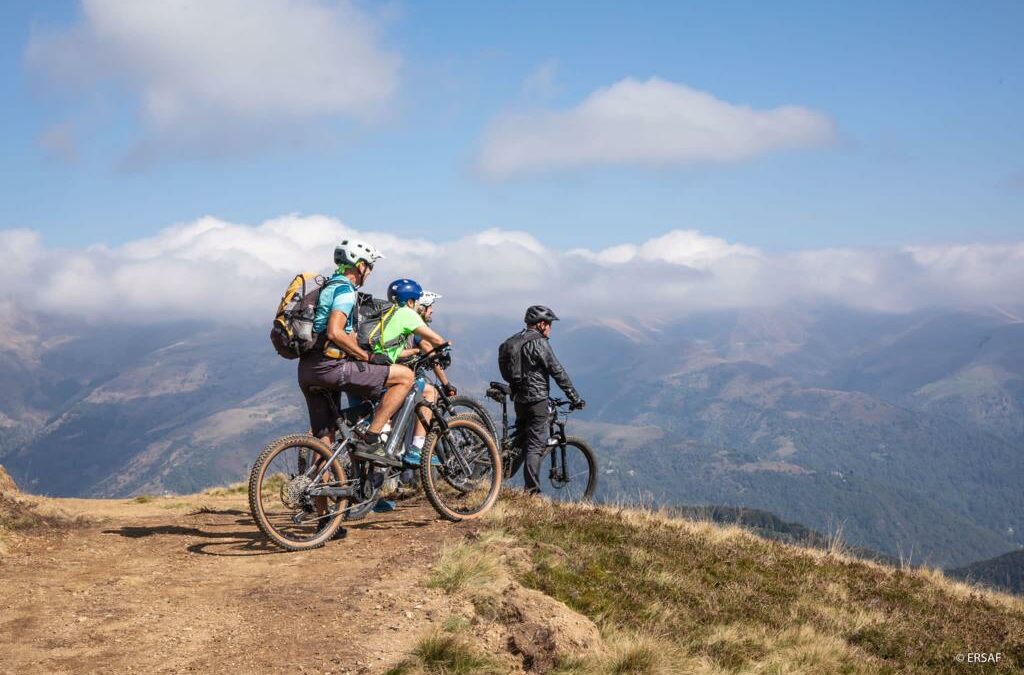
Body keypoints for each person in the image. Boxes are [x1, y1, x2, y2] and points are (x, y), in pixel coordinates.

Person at [297, 239, 413, 469]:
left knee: (325, 441)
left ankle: (315, 494)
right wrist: (367, 357)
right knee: (405, 376)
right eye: (370, 266)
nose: (369, 272)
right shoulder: (345, 290)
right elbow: (335, 331)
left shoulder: (327, 286)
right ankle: (371, 439)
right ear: (360, 266)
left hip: (307, 369)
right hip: (330, 368)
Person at [498, 305, 585, 495]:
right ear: (542, 324)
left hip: (519, 399)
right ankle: (532, 492)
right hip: (537, 400)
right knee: (536, 445)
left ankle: (500, 474)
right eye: (550, 324)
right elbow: (557, 371)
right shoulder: (540, 343)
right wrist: (575, 397)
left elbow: (503, 362)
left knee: (521, 440)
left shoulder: (515, 340)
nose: (551, 329)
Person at [371, 279, 450, 467]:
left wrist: (413, 352)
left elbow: (392, 351)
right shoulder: (407, 313)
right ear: (410, 302)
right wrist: (446, 348)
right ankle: (416, 449)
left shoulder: (387, 314)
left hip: (371, 365)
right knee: (427, 391)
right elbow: (435, 340)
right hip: (385, 371)